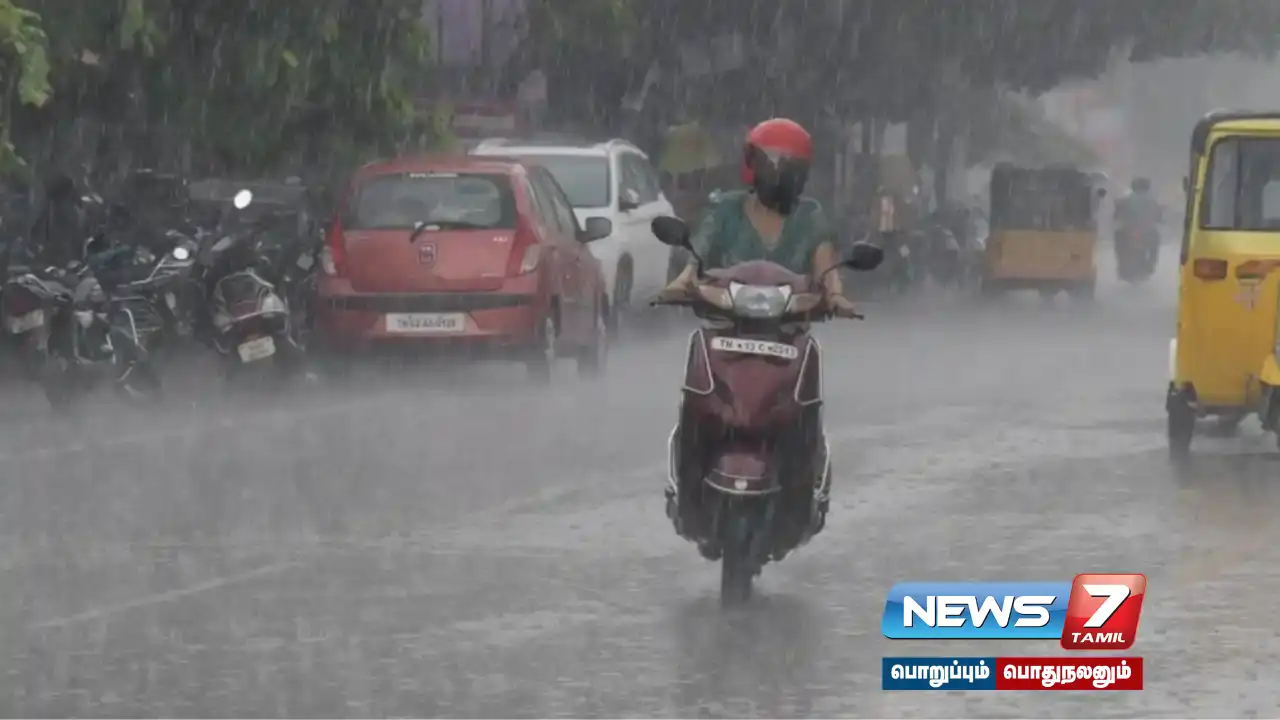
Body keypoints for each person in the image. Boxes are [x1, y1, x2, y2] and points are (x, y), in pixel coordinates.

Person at [661, 118, 858, 318]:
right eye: (769, 165)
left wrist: (835, 295)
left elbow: (826, 269)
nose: (777, 175)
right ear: (753, 164)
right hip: (725, 321)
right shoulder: (725, 209)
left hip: (790, 324)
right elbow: (697, 258)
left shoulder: (810, 215)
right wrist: (681, 283)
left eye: (788, 168)